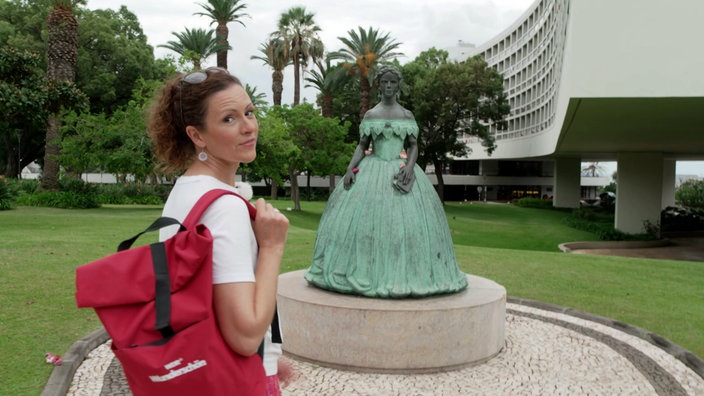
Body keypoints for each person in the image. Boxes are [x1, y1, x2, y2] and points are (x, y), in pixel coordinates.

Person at [148, 67, 289, 395]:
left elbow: (203, 297)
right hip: (234, 379)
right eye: (229, 119)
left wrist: (270, 357)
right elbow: (245, 336)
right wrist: (271, 246)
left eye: (250, 112)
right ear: (197, 135)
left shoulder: (185, 191)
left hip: (200, 368)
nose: (248, 127)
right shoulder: (225, 208)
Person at [304, 65, 467, 298]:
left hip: (401, 171)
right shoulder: (371, 115)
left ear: (398, 85)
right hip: (372, 171)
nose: (389, 86)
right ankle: (363, 272)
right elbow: (362, 145)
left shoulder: (406, 115)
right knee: (360, 224)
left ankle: (407, 273)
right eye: (385, 82)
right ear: (379, 85)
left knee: (407, 226)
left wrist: (409, 168)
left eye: (392, 82)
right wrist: (350, 169)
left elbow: (413, 145)